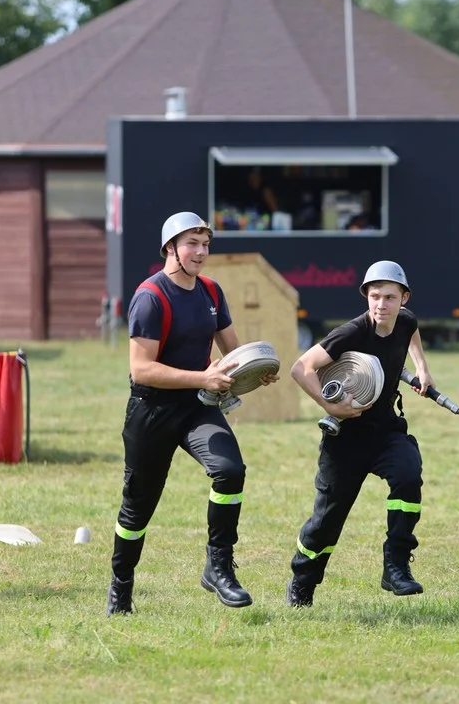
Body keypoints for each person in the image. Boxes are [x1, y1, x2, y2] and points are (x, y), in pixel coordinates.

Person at [106, 211, 278, 616]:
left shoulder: (212, 292)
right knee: (137, 508)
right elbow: (141, 369)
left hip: (196, 408)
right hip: (151, 411)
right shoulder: (150, 297)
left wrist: (254, 371)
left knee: (230, 470)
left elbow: (231, 356)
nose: (201, 253)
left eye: (206, 244)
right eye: (192, 244)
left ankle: (219, 567)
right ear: (170, 248)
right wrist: (202, 377)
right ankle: (121, 587)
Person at [286, 260, 435, 608]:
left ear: (404, 299)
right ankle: (302, 583)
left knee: (408, 476)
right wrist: (331, 406)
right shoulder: (351, 332)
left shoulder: (405, 320)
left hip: (386, 430)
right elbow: (300, 368)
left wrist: (423, 369)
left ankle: (396, 566)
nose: (381, 305)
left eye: (389, 298)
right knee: (326, 523)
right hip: (346, 439)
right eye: (374, 297)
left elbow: (411, 332)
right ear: (366, 297)